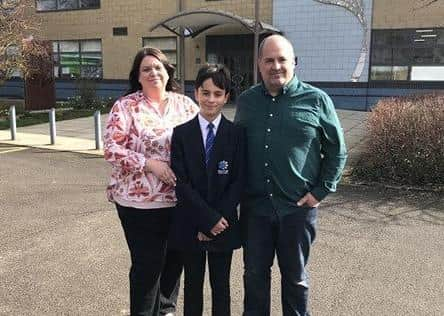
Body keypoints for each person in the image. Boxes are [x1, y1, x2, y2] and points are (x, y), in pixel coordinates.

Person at [234, 34, 347, 315]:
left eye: (282, 59)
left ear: (294, 63)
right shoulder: (247, 102)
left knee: (296, 279)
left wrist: (320, 191)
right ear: (259, 64)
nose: (276, 66)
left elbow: (337, 150)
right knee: (255, 277)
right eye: (269, 60)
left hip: (296, 209)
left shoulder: (317, 100)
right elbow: (235, 149)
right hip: (255, 210)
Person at [104, 47, 199, 316]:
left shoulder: (185, 105)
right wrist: (149, 164)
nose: (153, 73)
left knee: (173, 263)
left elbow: (203, 143)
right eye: (146, 68)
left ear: (168, 73)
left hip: (179, 202)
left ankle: (166, 311)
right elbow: (111, 148)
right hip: (138, 204)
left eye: (158, 67)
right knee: (148, 267)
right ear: (138, 75)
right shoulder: (126, 106)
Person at [169, 64, 246, 316]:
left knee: (221, 286)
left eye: (217, 93)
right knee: (192, 286)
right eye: (205, 92)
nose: (210, 99)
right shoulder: (181, 134)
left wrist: (216, 221)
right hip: (191, 224)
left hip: (223, 224)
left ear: (226, 97)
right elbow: (181, 182)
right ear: (196, 93)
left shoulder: (236, 134)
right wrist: (205, 221)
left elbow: (238, 180)